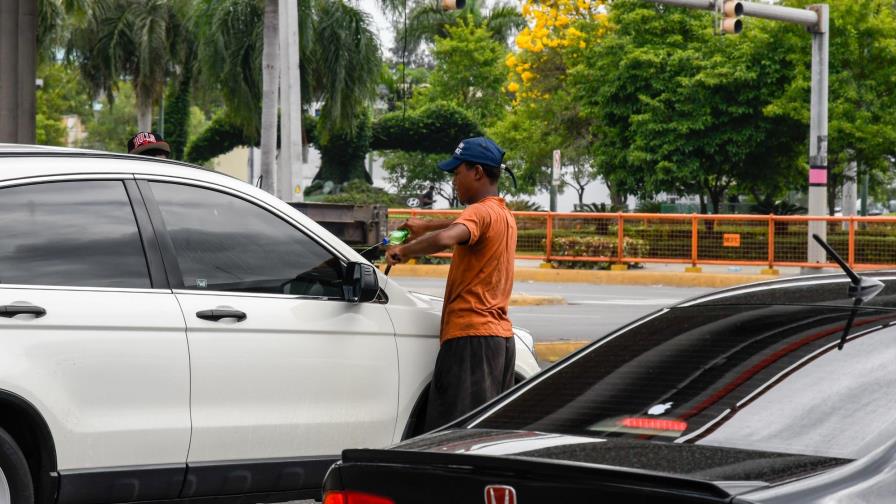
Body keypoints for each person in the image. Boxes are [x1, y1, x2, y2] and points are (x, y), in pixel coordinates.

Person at [386, 136, 518, 431]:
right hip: (498, 341)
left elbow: (448, 237)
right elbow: (462, 224)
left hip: (471, 340)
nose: (454, 181)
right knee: (482, 433)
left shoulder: (479, 212)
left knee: (454, 437)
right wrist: (425, 227)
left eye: (457, 173)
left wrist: (404, 251)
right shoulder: (502, 213)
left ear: (477, 172)